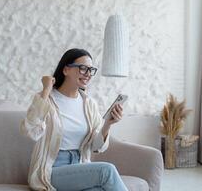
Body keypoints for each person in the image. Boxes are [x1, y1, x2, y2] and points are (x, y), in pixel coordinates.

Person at [20, 48, 128, 191]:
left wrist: (108, 124)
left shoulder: (89, 104)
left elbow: (96, 147)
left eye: (91, 70)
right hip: (51, 170)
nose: (88, 74)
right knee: (106, 170)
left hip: (80, 166)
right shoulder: (47, 99)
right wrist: (46, 90)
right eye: (83, 68)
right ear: (66, 70)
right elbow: (31, 131)